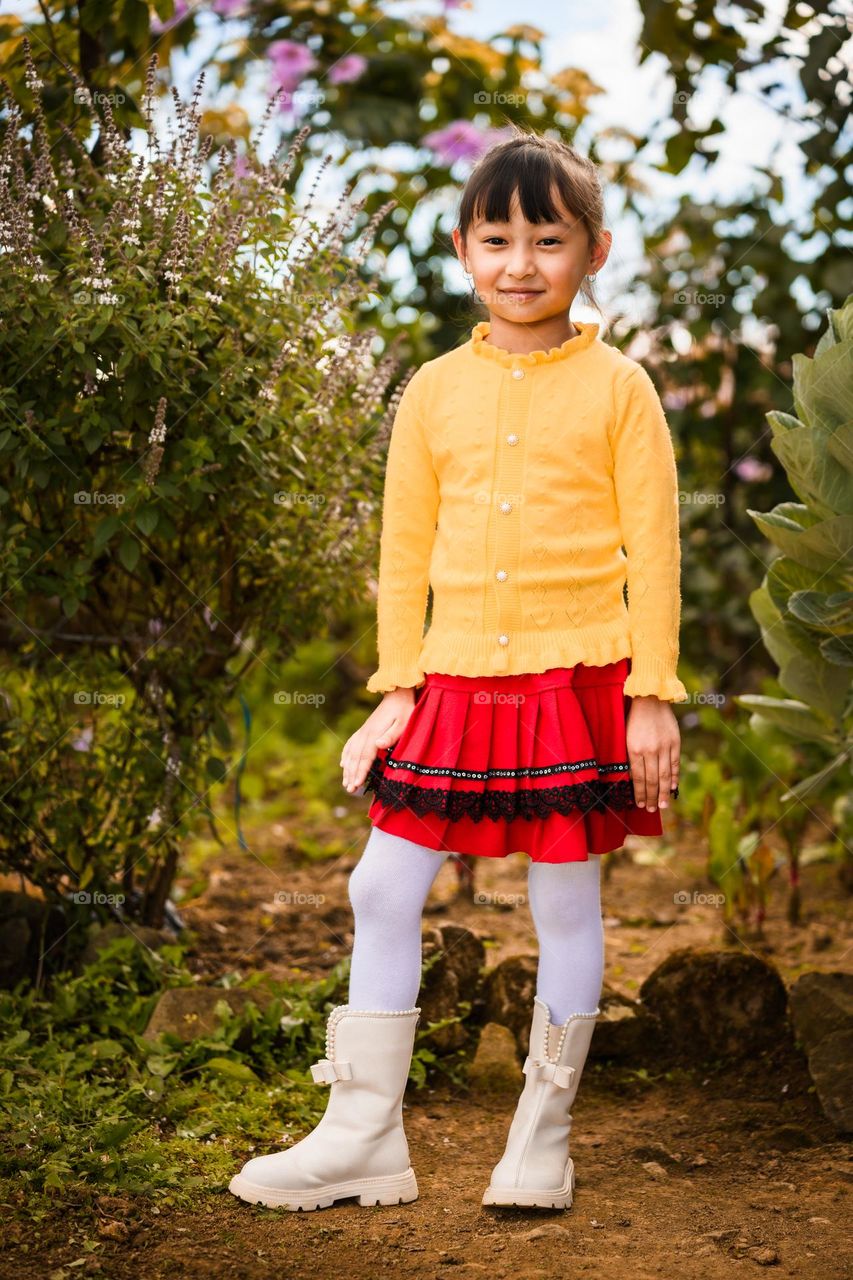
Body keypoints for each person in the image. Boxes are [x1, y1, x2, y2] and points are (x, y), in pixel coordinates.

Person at [229, 125, 688, 1214]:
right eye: (497, 239)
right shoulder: (432, 390)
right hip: (454, 683)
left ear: (594, 252)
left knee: (562, 899)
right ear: (462, 250)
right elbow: (402, 550)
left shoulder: (620, 387)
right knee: (380, 885)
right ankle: (361, 1135)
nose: (520, 263)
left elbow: (657, 550)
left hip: (576, 678)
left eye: (548, 239)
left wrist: (651, 695)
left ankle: (541, 1137)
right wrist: (397, 689)